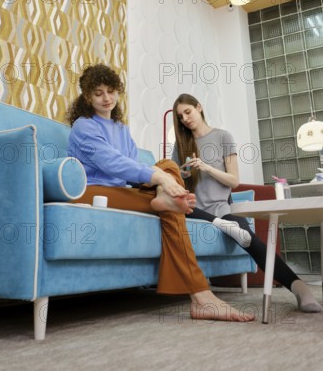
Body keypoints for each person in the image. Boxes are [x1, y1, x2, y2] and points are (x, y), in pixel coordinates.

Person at [66, 64, 254, 322]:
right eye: (98, 93)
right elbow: (111, 162)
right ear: (87, 96)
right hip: (93, 191)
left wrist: (162, 174)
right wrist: (158, 178)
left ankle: (164, 202)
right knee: (166, 182)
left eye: (111, 91)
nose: (106, 98)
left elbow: (136, 167)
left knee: (168, 166)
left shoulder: (121, 130)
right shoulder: (83, 126)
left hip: (124, 192)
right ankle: (202, 297)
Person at [172, 93, 322, 314]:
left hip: (222, 210)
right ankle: (221, 224)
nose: (185, 119)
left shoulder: (223, 136)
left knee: (251, 240)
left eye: (188, 112)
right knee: (185, 210)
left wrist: (206, 167)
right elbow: (175, 182)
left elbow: (233, 181)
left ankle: (300, 288)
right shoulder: (181, 144)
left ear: (199, 107)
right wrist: (181, 173)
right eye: (180, 116)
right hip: (194, 211)